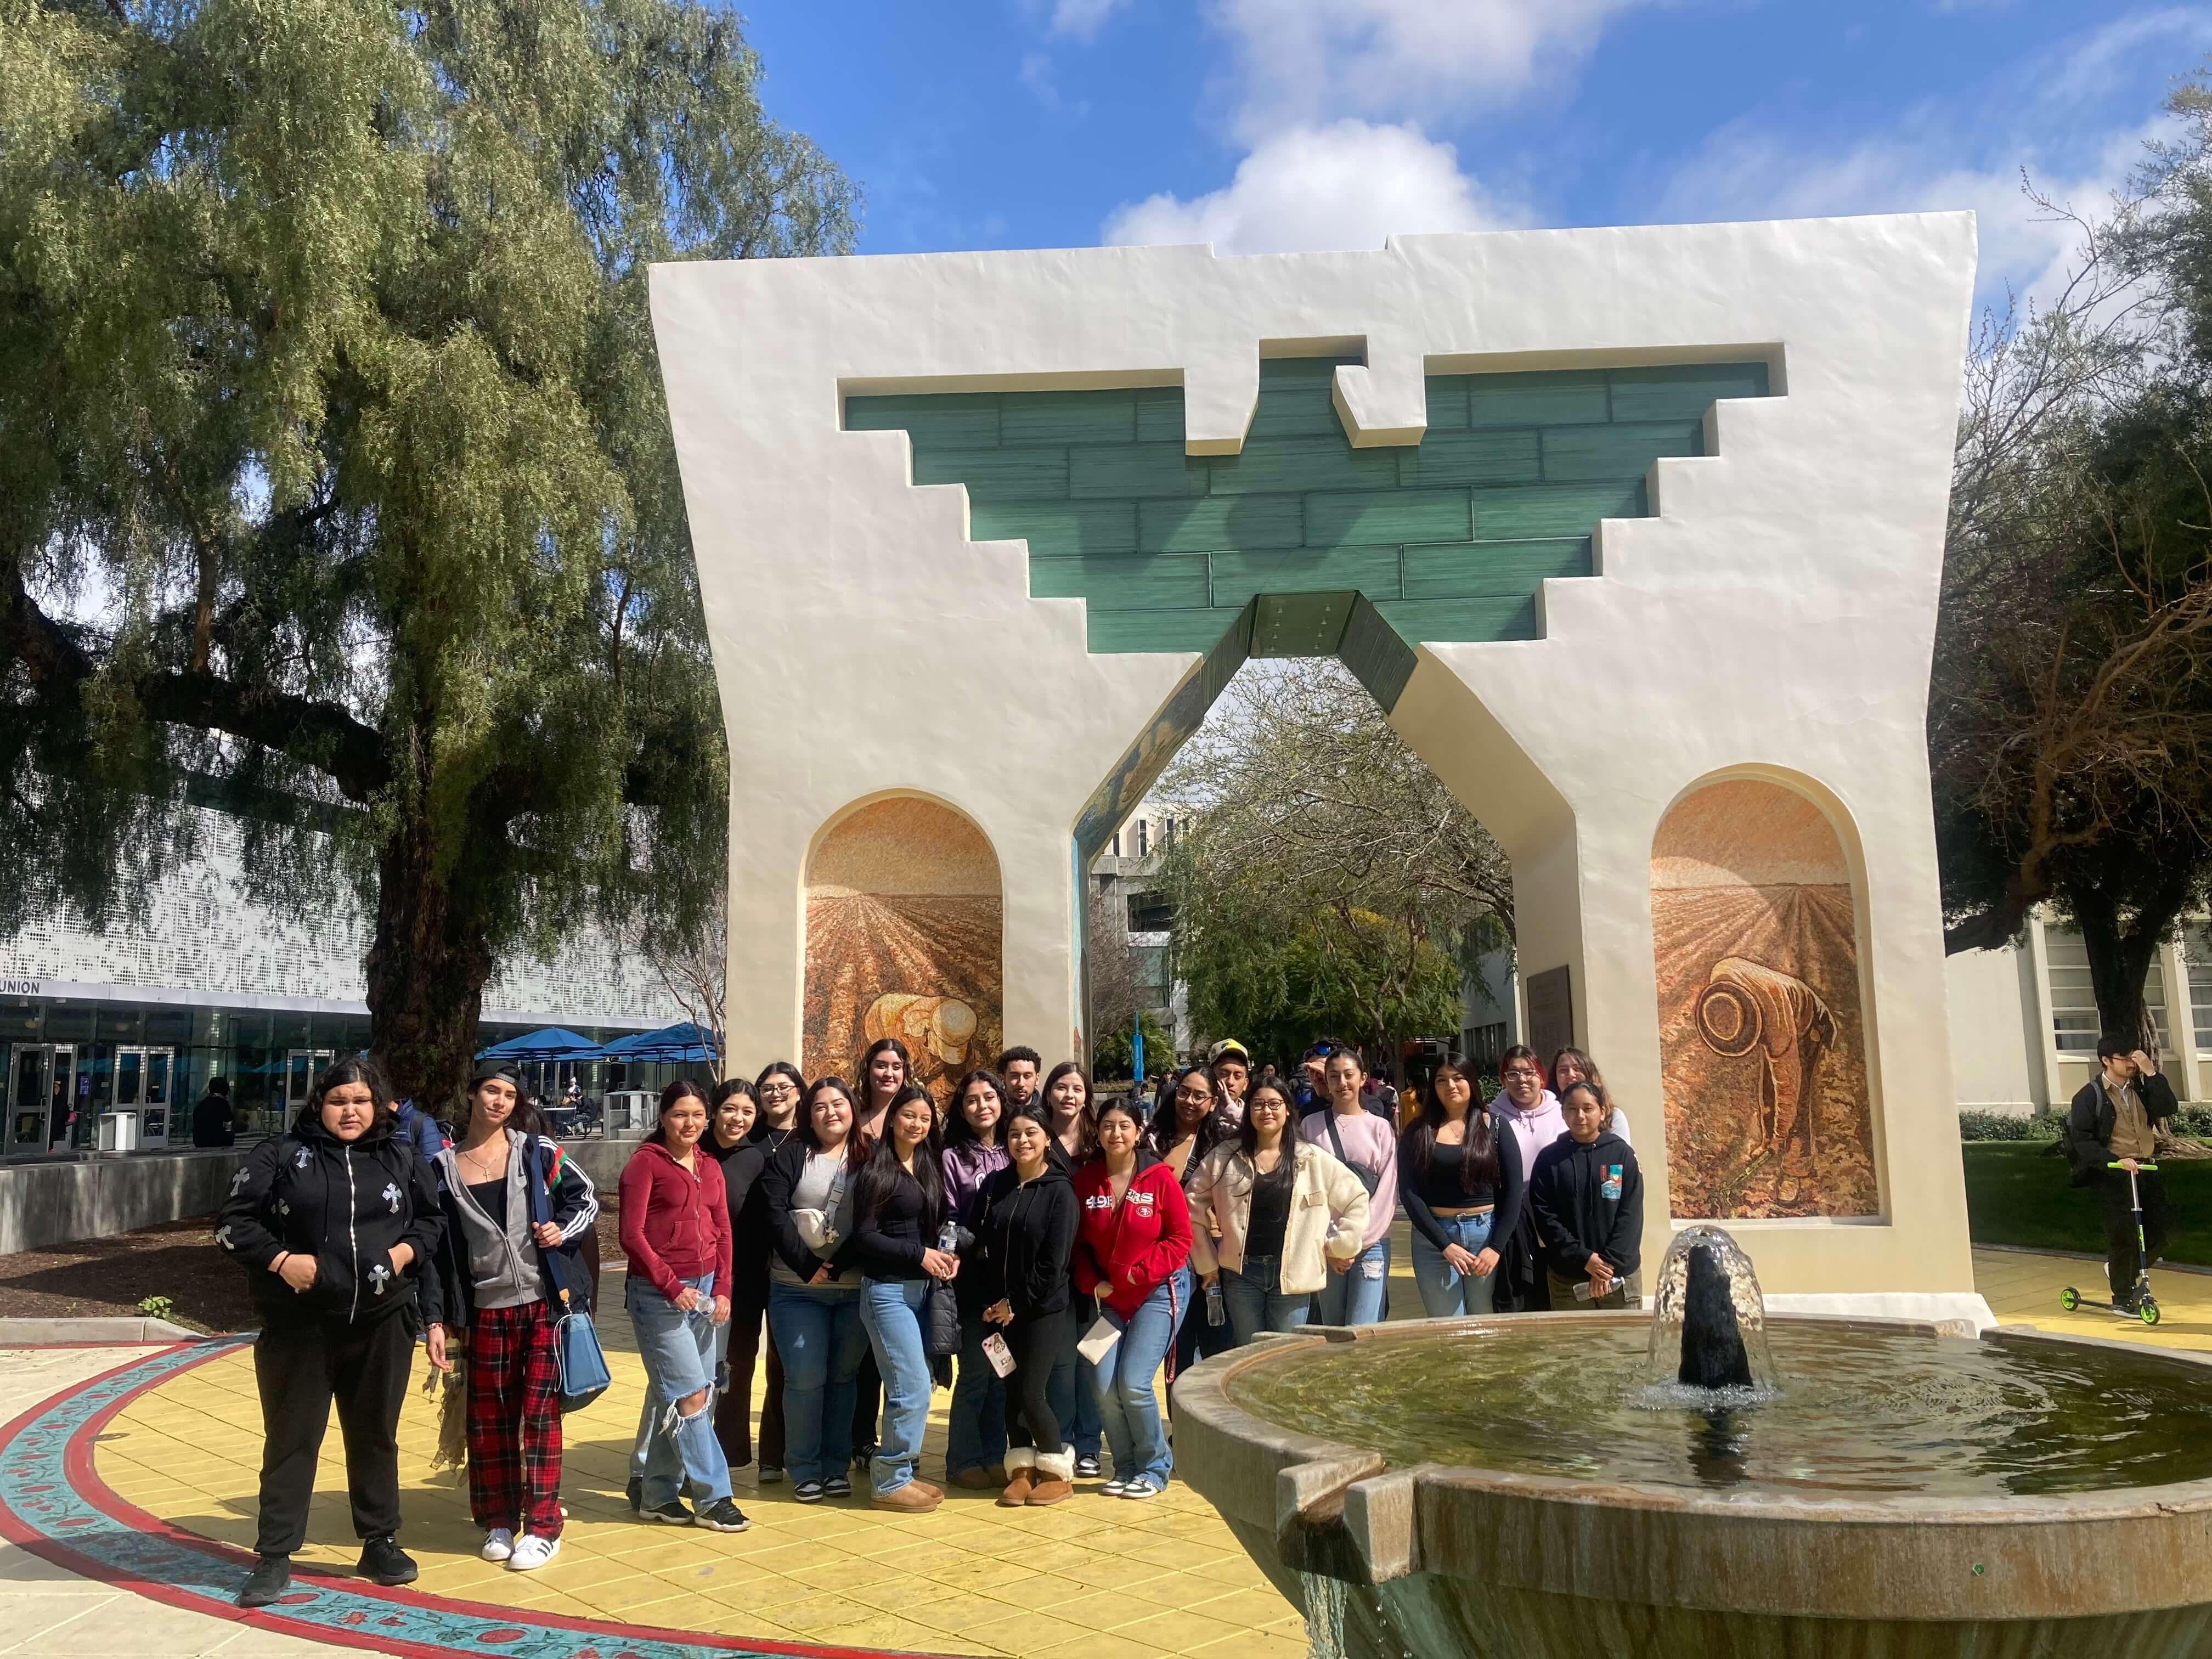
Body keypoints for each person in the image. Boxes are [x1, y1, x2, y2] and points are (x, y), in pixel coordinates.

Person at [215, 1054, 444, 1607]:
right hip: (301, 1328)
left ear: (378, 1105)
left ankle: (380, 1540)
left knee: (374, 1435)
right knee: (293, 1438)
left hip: (383, 1321)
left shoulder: (402, 1156)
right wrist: (279, 1262)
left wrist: (404, 1255)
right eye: (339, 1100)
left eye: (361, 1101)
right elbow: (231, 1224)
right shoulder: (281, 1155)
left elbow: (432, 1223)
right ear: (320, 1103)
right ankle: (274, 1555)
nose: (350, 1110)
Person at [422, 1063, 597, 1572]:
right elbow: (434, 1250)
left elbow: (584, 1196)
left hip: (543, 1303)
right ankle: (498, 1518)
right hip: (484, 1310)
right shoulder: (441, 1169)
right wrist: (436, 1318)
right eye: (491, 1091)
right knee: (489, 1420)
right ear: (473, 1094)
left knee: (540, 1417)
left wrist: (561, 1232)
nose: (499, 1101)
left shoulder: (535, 1152)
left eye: (509, 1095)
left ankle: (543, 1526)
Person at [617, 1080, 750, 1531]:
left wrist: (725, 1289)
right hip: (659, 1296)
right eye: (679, 1115)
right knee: (692, 1395)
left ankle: (656, 1493)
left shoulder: (710, 1165)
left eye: (697, 1115)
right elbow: (631, 1236)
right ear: (662, 1117)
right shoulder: (645, 1165)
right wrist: (672, 1286)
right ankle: (714, 1496)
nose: (689, 1124)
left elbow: (724, 1231)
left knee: (680, 1394)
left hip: (707, 1287)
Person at [1073, 1096, 1193, 1499]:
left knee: (1134, 1383)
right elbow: (1078, 1247)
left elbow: (1180, 1240)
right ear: (1099, 1132)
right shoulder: (1086, 1181)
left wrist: (1135, 1275)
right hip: (1112, 1300)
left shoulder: (1160, 1178)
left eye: (1125, 1125)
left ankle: (1155, 1468)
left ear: (1138, 1131)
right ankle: (1125, 1467)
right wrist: (1095, 1283)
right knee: (1103, 1386)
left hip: (1160, 1293)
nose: (1116, 1133)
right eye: (1108, 1125)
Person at [1189, 1079, 1369, 1345]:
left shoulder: (1311, 1158)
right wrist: (1206, 1261)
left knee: (1286, 1355)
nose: (1266, 1111)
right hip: (1241, 1274)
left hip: (1293, 1273)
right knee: (1248, 1351)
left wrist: (1340, 1246)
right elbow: (1191, 1203)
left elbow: (1356, 1197)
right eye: (1258, 1104)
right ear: (1248, 1110)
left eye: (1275, 1104)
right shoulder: (1225, 1156)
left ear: (1288, 1110)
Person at [760, 1076, 870, 1503]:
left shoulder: (871, 1157)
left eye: (838, 1104)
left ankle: (834, 1465)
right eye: (820, 1106)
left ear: (852, 1108)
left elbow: (877, 1217)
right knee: (804, 1378)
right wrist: (808, 1268)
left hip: (854, 1288)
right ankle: (803, 1466)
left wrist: (839, 1264)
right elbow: (773, 1213)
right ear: (809, 1113)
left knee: (844, 1380)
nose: (830, 1113)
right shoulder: (791, 1156)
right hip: (795, 1290)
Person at [851, 1091, 957, 1512]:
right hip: (887, 1293)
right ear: (893, 1120)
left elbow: (939, 1223)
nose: (917, 1124)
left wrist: (947, 1251)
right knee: (909, 1389)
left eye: (925, 1117)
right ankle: (889, 1479)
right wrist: (921, 1255)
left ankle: (903, 1474)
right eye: (908, 1116)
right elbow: (864, 1237)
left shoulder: (928, 1165)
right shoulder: (876, 1170)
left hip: (921, 1291)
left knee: (918, 1386)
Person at [974, 1104, 1079, 1505]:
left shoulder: (1059, 1191)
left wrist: (1014, 1302)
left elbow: (1054, 1262)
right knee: (1011, 1390)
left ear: (1047, 1139)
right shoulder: (996, 1185)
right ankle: (1021, 1469)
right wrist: (990, 1302)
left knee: (1033, 1391)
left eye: (1031, 1132)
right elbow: (982, 1245)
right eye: (1015, 1134)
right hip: (998, 1312)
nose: (1023, 1141)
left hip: (1041, 1310)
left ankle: (1055, 1469)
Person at [1398, 1051, 1521, 1317]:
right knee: (1447, 1326)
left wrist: (1495, 1247)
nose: (1450, 1086)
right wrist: (1444, 1244)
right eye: (1442, 1080)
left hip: (1484, 1237)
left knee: (1482, 1323)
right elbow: (1409, 1193)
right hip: (1433, 1240)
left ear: (1471, 1082)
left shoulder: (1496, 1126)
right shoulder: (1417, 1131)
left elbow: (1513, 1192)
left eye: (1458, 1078)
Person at [703, 1079, 782, 1482]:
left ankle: (731, 1452)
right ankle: (689, 1454)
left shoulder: (756, 1157)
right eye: (731, 1109)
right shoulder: (692, 1148)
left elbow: (769, 1214)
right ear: (715, 1108)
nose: (737, 1118)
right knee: (698, 1369)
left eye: (747, 1112)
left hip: (746, 1277)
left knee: (738, 1363)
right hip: (696, 1277)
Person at [2067, 1036, 2175, 1315]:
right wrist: (2115, 1161)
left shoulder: (2141, 1089)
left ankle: (2120, 1270)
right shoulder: (2090, 1096)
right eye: (2125, 1058)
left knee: (2163, 1230)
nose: (2131, 1064)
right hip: (2113, 1173)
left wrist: (2151, 1073)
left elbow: (2167, 1107)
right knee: (2123, 1235)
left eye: (2134, 1058)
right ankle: (2123, 1297)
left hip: (2145, 1168)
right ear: (2106, 1061)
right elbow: (2084, 1141)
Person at [940, 1069, 1011, 1488]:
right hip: (971, 1281)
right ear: (962, 1109)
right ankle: (961, 1459)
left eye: (989, 1097)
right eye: (972, 1100)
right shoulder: (952, 1157)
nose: (982, 1106)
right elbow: (949, 1218)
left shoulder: (1015, 1146)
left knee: (1002, 1371)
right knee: (974, 1372)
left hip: (1009, 1280)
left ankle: (993, 1453)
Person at [1148, 1065, 1233, 1395]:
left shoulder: (1225, 1143)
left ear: (1213, 1102)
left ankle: (1216, 1429)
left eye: (1200, 1096)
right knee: (1177, 1348)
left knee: (1218, 1344)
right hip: (1169, 1253)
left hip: (1213, 1250)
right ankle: (1180, 1434)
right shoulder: (1152, 1138)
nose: (1189, 1101)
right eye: (1184, 1092)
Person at [1298, 1050, 1398, 1327]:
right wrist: (1333, 1243)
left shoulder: (1380, 1128)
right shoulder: (1310, 1126)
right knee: (1332, 1326)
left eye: (1348, 1075)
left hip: (1372, 1243)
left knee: (1363, 1327)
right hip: (1326, 1244)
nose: (1342, 1082)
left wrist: (1354, 1241)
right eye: (1334, 1076)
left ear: (1363, 1079)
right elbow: (1308, 1189)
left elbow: (1388, 1192)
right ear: (1326, 1082)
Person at [1039, 1060, 1104, 1475]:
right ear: (1049, 1094)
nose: (1069, 1096)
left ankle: (1089, 1443)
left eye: (1077, 1089)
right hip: (1054, 1270)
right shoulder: (1037, 1137)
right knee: (1061, 1361)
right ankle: (1061, 1438)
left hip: (1100, 1272)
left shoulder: (1102, 1141)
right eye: (1061, 1087)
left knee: (1092, 1358)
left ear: (1087, 1097)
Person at [1527, 1081, 1643, 1309]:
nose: (1580, 1115)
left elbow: (1631, 1215)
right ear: (1563, 1113)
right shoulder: (1549, 1160)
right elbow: (1546, 1218)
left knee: (1625, 1345)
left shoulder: (1622, 1155)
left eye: (1588, 1108)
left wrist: (1605, 1266)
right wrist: (1585, 1260)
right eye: (1572, 1108)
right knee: (1574, 1345)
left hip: (1619, 1279)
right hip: (1567, 1280)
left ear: (1602, 1112)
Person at [744, 1059, 806, 1482]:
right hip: (748, 1266)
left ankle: (779, 1452)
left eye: (784, 1086)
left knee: (787, 1363)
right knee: (742, 1362)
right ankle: (751, 1455)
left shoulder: (812, 1139)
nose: (776, 1094)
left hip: (794, 1266)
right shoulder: (747, 1139)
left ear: (799, 1091)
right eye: (767, 1088)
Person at [1489, 1045, 1564, 1311]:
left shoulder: (1562, 1114)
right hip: (1514, 1225)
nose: (1522, 1080)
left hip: (1556, 1222)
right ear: (1503, 1078)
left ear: (1542, 1076)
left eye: (1529, 1072)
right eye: (1513, 1074)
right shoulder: (1492, 1118)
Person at [1550, 1047, 1632, 1144]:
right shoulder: (1550, 1116)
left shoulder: (1613, 1117)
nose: (1571, 1074)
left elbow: (1619, 1156)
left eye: (1577, 1069)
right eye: (1563, 1070)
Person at [857, 1037, 913, 1144]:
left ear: (905, 1072)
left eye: (896, 1067)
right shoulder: (852, 1121)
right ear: (868, 1070)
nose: (888, 1074)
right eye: (881, 1066)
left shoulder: (917, 1120)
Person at [1206, 1041, 1250, 1128]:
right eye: (1224, 1074)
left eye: (1237, 1076)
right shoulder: (1200, 1114)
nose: (1230, 1082)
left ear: (1245, 1084)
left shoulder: (1255, 1115)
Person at [191, 1075, 236, 1147]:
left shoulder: (202, 1103)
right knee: (230, 1135)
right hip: (215, 1140)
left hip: (198, 1140)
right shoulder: (222, 1103)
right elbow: (229, 1118)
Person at [996, 1046, 1043, 1112]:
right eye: (1014, 1076)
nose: (1021, 1084)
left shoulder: (1049, 1114)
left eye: (1027, 1076)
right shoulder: (993, 1113)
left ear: (1037, 1079)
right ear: (1002, 1078)